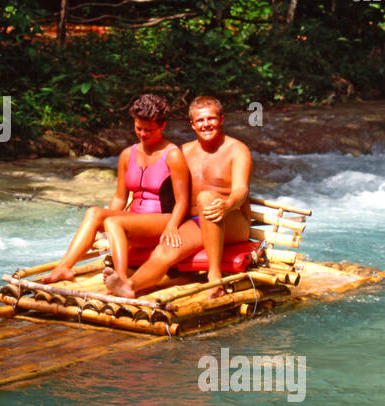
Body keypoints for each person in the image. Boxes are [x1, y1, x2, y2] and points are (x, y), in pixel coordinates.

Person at [104, 95, 251, 300]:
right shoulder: (183, 151)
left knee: (206, 198)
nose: (206, 124)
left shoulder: (237, 150)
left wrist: (227, 204)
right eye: (200, 120)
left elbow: (241, 190)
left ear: (222, 120)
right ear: (192, 124)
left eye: (211, 119)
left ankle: (215, 276)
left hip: (232, 219)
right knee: (165, 251)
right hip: (196, 222)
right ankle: (129, 285)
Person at [40, 93, 191, 282]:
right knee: (95, 213)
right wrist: (102, 228)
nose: (142, 134)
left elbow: (183, 200)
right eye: (139, 128)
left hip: (161, 221)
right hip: (132, 220)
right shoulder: (128, 154)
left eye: (149, 130)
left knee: (113, 222)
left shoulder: (173, 155)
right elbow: (120, 197)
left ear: (162, 126)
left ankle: (120, 277)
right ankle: (64, 268)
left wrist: (172, 227)